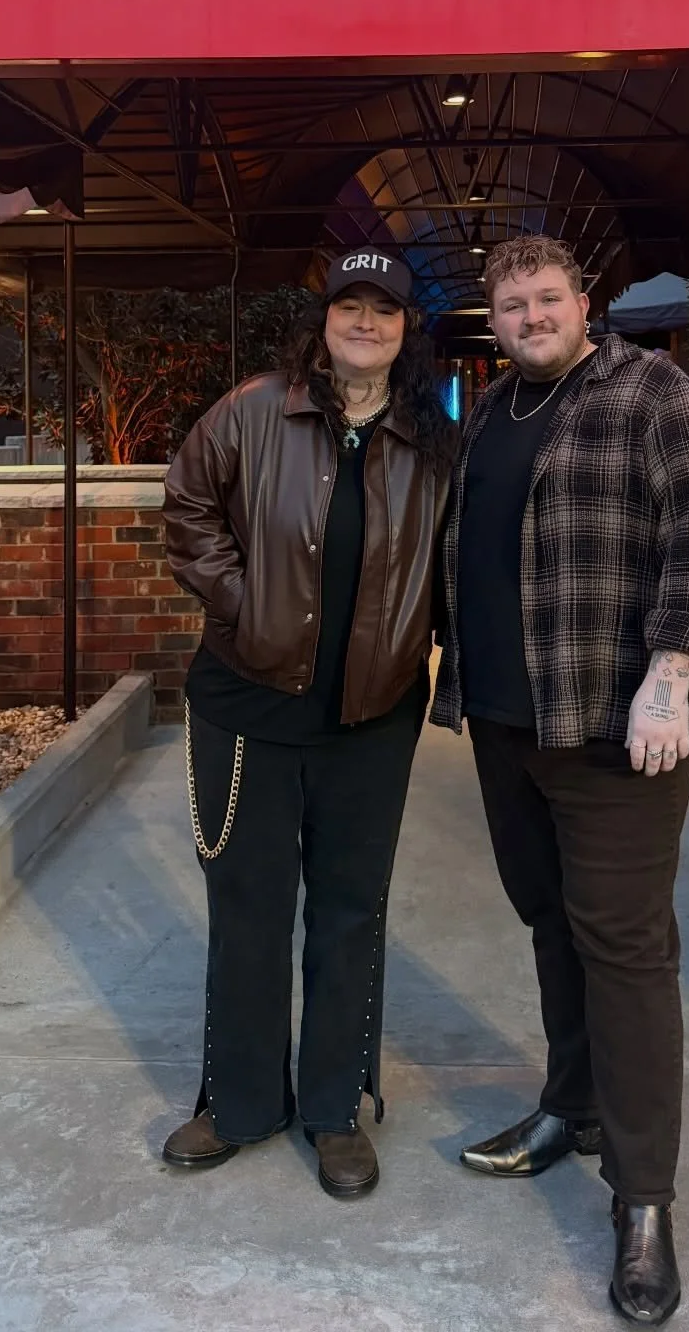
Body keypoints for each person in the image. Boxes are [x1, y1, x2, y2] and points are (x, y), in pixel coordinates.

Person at [434, 234, 689, 1326]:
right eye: (511, 305)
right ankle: (573, 1107)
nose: (530, 316)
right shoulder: (490, 413)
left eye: (547, 298)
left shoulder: (648, 391)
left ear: (585, 303)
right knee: (550, 923)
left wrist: (673, 670)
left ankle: (644, 1203)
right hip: (509, 723)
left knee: (624, 947)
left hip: (618, 727)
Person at [160, 247, 454, 1200]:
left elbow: (452, 567)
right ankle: (239, 1102)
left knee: (348, 911)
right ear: (323, 319)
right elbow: (187, 507)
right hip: (247, 704)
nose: (364, 323)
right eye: (349, 306)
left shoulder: (427, 440)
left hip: (372, 717)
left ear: (408, 331)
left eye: (385, 312)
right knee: (248, 910)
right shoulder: (254, 411)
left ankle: (334, 1108)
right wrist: (245, 607)